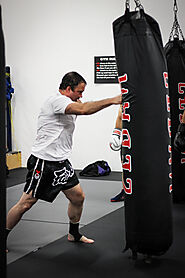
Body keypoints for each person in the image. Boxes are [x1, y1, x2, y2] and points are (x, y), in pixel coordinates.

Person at [6, 71, 121, 248]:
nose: (81, 96)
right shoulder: (57, 101)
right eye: (79, 92)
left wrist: (79, 102)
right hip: (43, 162)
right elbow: (84, 110)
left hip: (61, 162)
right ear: (68, 89)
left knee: (77, 197)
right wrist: (114, 100)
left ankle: (73, 234)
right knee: (26, 203)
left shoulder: (69, 101)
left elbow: (81, 107)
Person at [109, 105, 124, 202]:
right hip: (129, 136)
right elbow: (120, 115)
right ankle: (125, 191)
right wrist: (116, 133)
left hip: (147, 134)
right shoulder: (127, 94)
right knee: (126, 163)